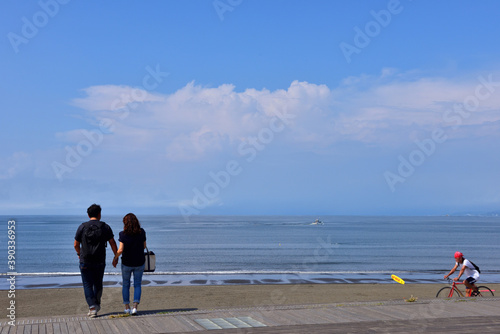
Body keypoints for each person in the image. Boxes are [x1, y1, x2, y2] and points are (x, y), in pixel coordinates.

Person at [74, 204, 117, 318]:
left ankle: (92, 308)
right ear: (99, 214)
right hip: (99, 260)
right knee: (98, 284)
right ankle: (96, 304)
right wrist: (116, 256)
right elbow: (112, 242)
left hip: (85, 260)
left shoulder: (82, 227)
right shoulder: (105, 227)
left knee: (87, 284)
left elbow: (76, 244)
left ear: (88, 215)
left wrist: (79, 254)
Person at [112, 213, 147, 315]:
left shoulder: (122, 234)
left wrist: (115, 258)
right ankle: (135, 307)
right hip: (139, 262)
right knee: (137, 285)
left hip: (127, 263)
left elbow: (120, 250)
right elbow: (144, 246)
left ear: (125, 223)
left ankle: (127, 307)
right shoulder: (142, 232)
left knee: (126, 285)